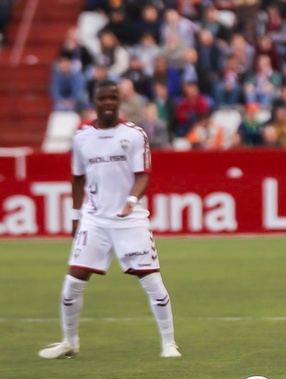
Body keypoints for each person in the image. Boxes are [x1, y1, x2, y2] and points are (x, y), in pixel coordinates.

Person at [38, 80, 181, 360]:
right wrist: (76, 216)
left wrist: (131, 200)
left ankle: (169, 344)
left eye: (113, 98)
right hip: (95, 219)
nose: (108, 103)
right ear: (94, 101)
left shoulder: (134, 134)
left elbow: (143, 174)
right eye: (103, 98)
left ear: (119, 101)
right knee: (73, 282)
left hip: (130, 219)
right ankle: (70, 342)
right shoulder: (81, 137)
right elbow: (77, 178)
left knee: (151, 281)